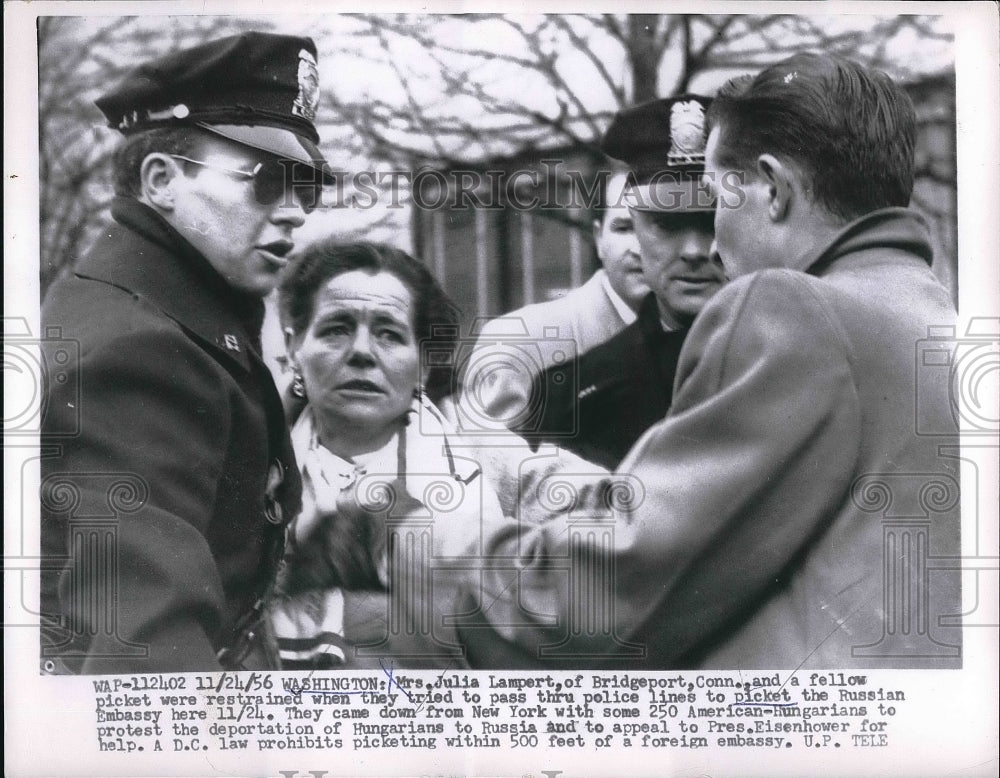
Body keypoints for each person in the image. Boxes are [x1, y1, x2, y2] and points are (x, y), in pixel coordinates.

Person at [390, 52, 962, 669]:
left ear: (772, 188)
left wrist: (407, 545)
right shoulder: (939, 321)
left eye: (716, 197)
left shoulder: (789, 308)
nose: (709, 244)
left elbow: (604, 597)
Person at [39, 32, 332, 673]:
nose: (294, 214)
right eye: (266, 181)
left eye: (304, 188)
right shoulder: (140, 352)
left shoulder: (159, 304)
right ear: (161, 181)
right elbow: (146, 657)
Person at [268, 240, 606, 669]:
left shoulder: (481, 450)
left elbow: (622, 523)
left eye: (389, 334)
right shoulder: (247, 454)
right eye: (336, 328)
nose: (361, 352)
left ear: (424, 365)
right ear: (295, 346)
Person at [521, 95, 726, 469]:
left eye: (710, 221)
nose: (695, 250)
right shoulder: (567, 396)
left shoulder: (801, 369)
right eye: (666, 224)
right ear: (636, 228)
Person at [458, 167, 647, 432]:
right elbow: (487, 466)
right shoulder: (519, 340)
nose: (640, 248)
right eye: (624, 228)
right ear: (598, 238)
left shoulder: (705, 337)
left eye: (660, 227)